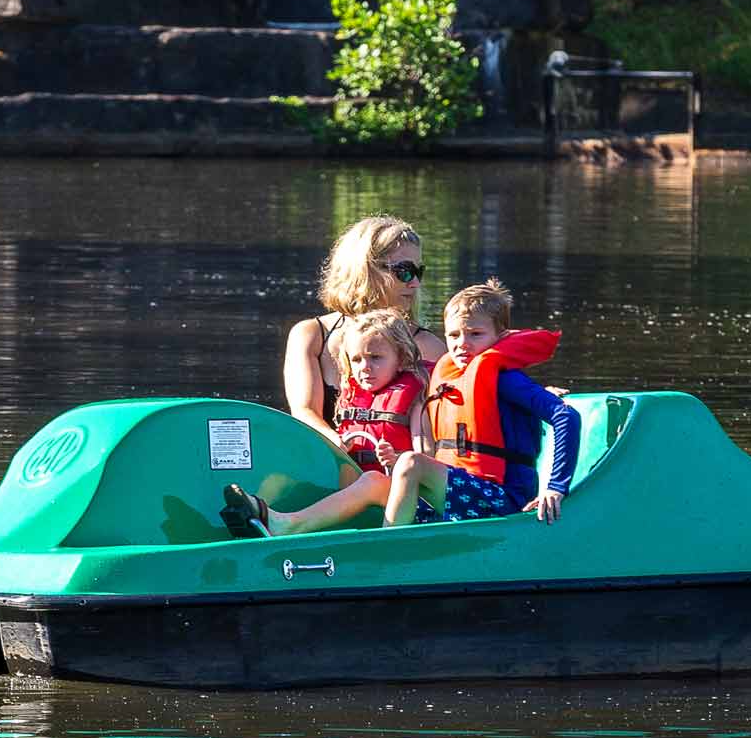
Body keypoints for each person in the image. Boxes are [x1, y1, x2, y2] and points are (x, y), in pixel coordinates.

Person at [226, 279, 577, 537]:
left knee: (410, 463)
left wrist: (555, 487)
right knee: (374, 481)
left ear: (500, 337)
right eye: (453, 335)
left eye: (475, 335)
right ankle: (284, 525)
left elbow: (565, 417)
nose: (461, 345)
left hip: (503, 501)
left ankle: (389, 548)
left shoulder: (507, 380)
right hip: (462, 495)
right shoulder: (455, 377)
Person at [284, 215, 446, 454]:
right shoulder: (311, 336)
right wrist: (338, 444)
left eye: (417, 272)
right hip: (326, 463)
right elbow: (304, 411)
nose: (415, 284)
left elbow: (438, 435)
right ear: (365, 269)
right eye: (404, 271)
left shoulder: (428, 347)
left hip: (393, 479)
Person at [328, 309, 431, 474]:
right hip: (352, 482)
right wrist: (337, 443)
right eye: (356, 359)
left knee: (372, 481)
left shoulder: (417, 397)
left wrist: (396, 459)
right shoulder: (350, 392)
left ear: (402, 359)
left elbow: (425, 457)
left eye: (375, 357)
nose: (365, 367)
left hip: (391, 484)